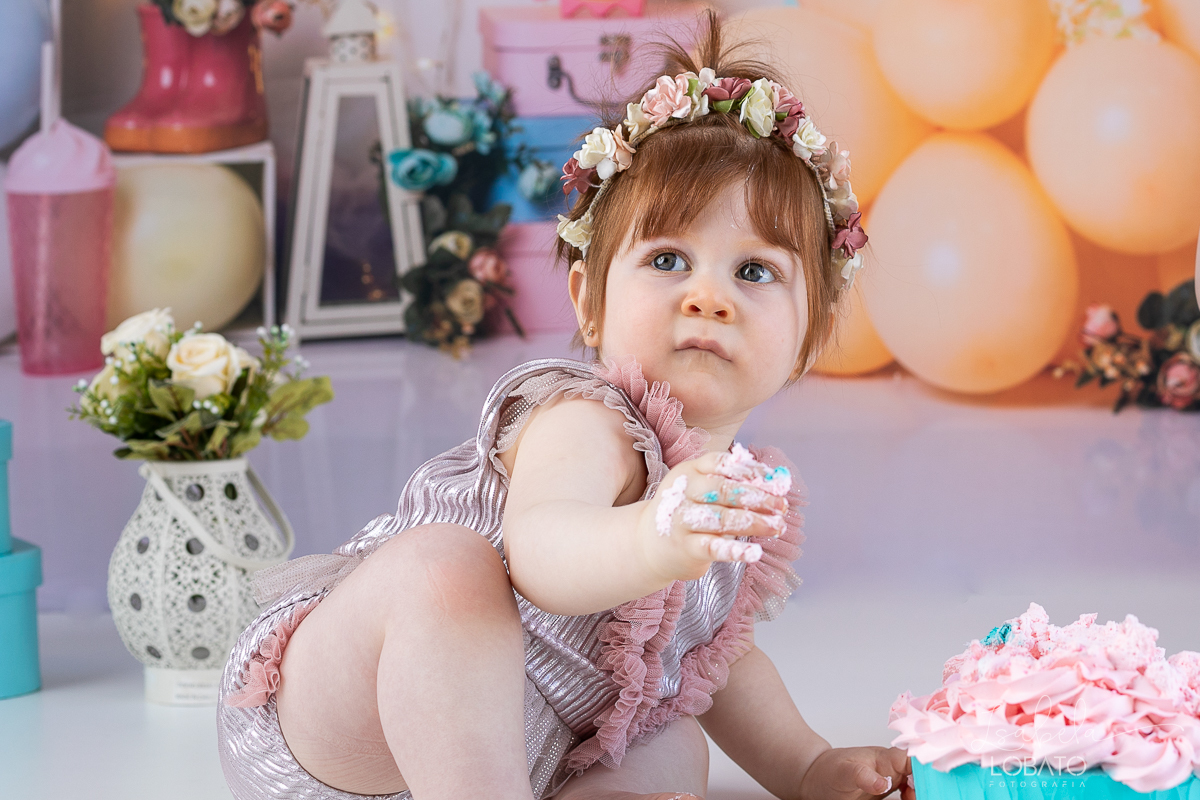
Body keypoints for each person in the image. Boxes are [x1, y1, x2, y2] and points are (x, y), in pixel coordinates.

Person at [217, 14, 910, 800]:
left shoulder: (725, 502)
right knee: (444, 569)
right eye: (668, 259)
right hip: (346, 725)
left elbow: (717, 662)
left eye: (754, 272)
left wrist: (807, 764)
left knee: (673, 738)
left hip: (513, 756)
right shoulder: (588, 420)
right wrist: (657, 533)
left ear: (810, 338)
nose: (708, 297)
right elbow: (545, 551)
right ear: (588, 301)